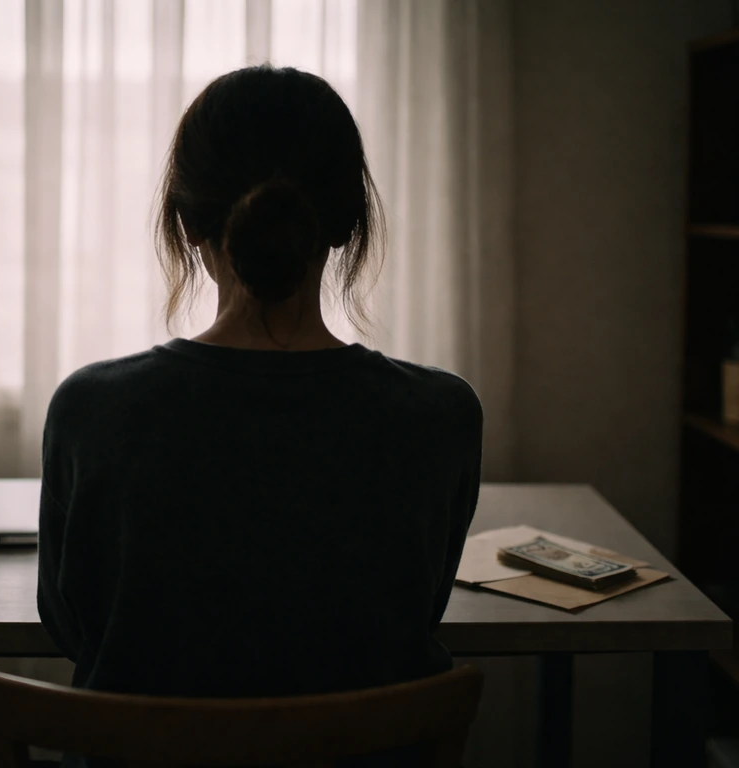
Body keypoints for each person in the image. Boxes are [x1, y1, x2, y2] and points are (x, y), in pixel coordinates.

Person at [34, 65, 482, 768]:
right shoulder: (440, 416)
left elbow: (73, 628)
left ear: (184, 223)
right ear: (345, 223)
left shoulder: (90, 411)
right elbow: (414, 614)